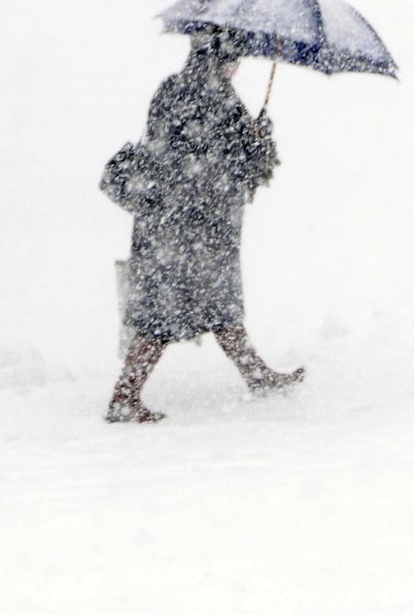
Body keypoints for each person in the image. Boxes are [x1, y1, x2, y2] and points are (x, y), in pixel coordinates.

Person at [101, 27, 305, 423]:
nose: (238, 66)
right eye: (236, 57)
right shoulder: (219, 100)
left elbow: (165, 152)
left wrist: (251, 139)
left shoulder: (171, 89)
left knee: (218, 306)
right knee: (163, 314)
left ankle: (255, 373)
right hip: (196, 227)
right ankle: (124, 396)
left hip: (168, 221)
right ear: (223, 58)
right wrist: (259, 142)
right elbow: (234, 167)